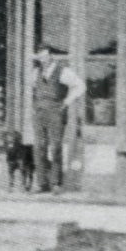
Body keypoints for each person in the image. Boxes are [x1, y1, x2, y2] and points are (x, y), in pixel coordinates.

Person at [28, 44, 84, 193]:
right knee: (39, 147)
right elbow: (33, 89)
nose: (43, 59)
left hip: (56, 113)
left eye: (45, 56)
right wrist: (35, 106)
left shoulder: (63, 71)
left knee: (56, 147)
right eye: (40, 57)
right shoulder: (36, 72)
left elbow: (80, 86)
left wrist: (67, 102)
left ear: (51, 56)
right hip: (39, 113)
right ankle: (41, 183)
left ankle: (56, 183)